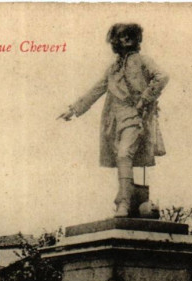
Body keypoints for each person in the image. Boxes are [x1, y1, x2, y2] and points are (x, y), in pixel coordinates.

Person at [58, 23, 168, 217]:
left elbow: (162, 77)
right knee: (121, 158)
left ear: (135, 39)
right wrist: (73, 109)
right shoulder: (112, 69)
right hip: (114, 121)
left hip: (136, 117)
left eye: (128, 36)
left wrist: (145, 99)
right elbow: (96, 89)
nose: (124, 40)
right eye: (120, 37)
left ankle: (124, 203)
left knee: (124, 154)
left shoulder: (143, 61)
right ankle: (125, 198)